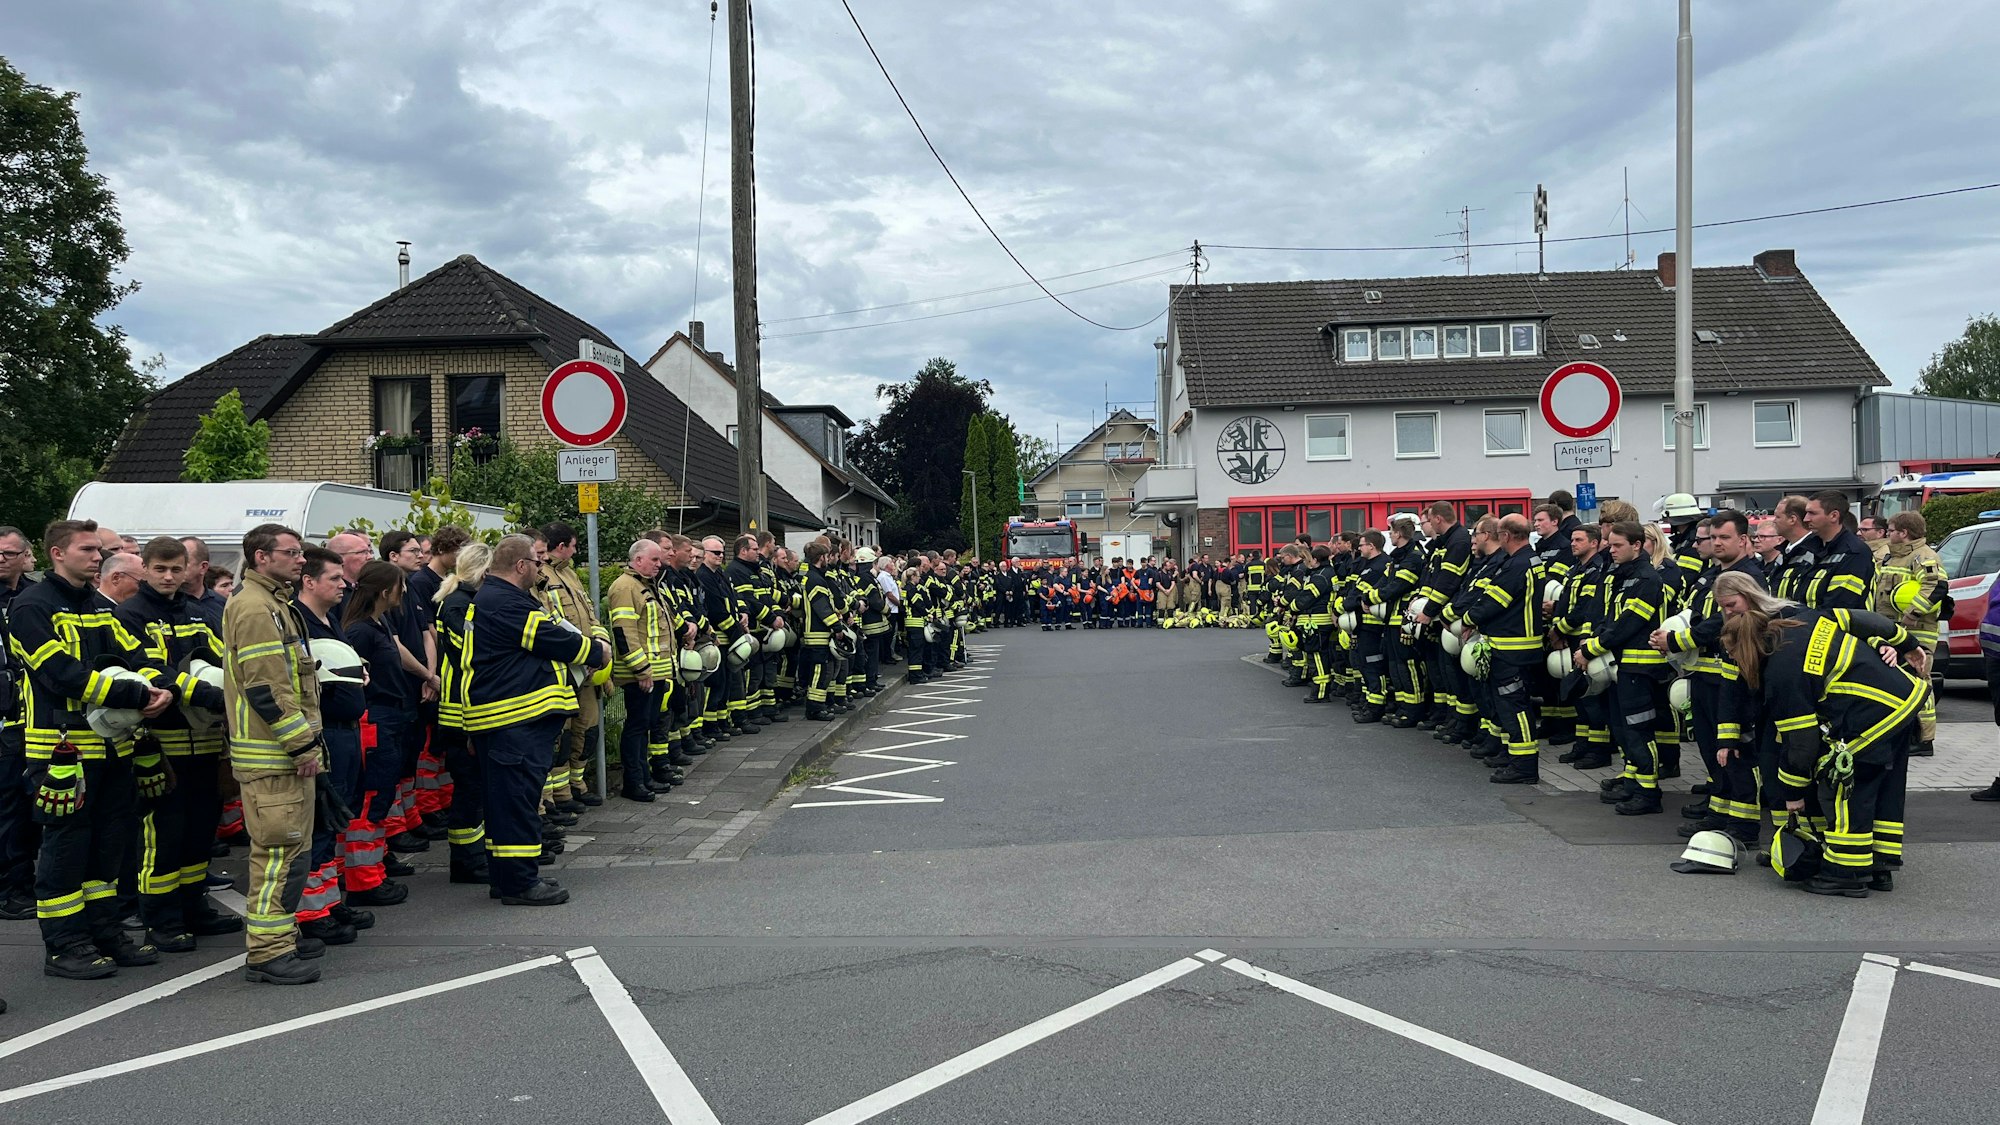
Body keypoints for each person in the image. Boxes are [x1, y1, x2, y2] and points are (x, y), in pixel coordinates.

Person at [11, 519, 170, 979]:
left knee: (109, 847)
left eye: (98, 550)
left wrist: (160, 686)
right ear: (56, 554)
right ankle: (64, 945)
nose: (97, 557)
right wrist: (138, 696)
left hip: (113, 748)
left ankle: (105, 931)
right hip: (62, 753)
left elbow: (137, 652)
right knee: (66, 849)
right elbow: (61, 673)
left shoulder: (98, 607)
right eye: (86, 550)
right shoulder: (31, 607)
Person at [1718, 572, 1927, 897]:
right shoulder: (1800, 622)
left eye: (1733, 656)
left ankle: (1846, 874)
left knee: (1843, 786)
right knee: (1881, 787)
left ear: (1746, 648)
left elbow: (1801, 745)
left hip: (1871, 714)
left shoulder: (1782, 674)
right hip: (1900, 700)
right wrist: (1906, 643)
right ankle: (1878, 865)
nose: (1734, 662)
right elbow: (1862, 618)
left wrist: (1792, 793)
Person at [464, 534, 606, 906]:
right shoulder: (503, 602)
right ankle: (520, 883)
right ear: (521, 565)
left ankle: (507, 876)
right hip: (514, 722)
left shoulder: (496, 598)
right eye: (537, 562)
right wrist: (596, 650)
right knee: (517, 803)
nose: (541, 568)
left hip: (507, 722)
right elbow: (550, 639)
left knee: (505, 803)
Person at [114, 536, 240, 953]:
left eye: (176, 569)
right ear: (145, 569)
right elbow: (150, 669)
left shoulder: (195, 612)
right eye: (160, 569)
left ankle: (193, 908)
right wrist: (208, 695)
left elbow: (220, 657)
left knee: (200, 832)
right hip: (160, 743)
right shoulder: (131, 613)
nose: (169, 577)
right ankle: (161, 920)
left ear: (188, 569)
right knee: (161, 836)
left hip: (204, 742)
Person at [223, 523, 325, 984]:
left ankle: (280, 938)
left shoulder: (273, 603)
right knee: (277, 855)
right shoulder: (255, 607)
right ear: (262, 558)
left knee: (291, 854)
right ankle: (267, 952)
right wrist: (300, 742)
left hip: (282, 753)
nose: (301, 560)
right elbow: (266, 688)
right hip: (272, 756)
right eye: (292, 553)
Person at [293, 545, 373, 943]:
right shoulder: (300, 622)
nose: (344, 585)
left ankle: (329, 899)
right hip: (324, 733)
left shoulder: (329, 619)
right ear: (309, 581)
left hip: (346, 730)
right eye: (334, 579)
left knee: (338, 815)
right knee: (320, 822)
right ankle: (311, 913)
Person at [1579, 522, 1672, 816]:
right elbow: (1609, 617)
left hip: (1641, 668)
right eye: (1610, 544)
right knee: (1622, 729)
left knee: (1638, 731)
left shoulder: (1647, 579)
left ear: (1637, 545)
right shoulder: (1624, 575)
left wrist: (1590, 649)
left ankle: (1648, 793)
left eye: (1618, 545)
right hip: (1623, 667)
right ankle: (1633, 782)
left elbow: (1628, 625)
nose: (1612, 550)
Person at [341, 562, 417, 909]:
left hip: (392, 717)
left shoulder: (379, 623)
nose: (404, 592)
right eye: (400, 586)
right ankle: (363, 880)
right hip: (377, 721)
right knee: (371, 798)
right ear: (386, 591)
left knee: (383, 795)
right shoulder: (360, 632)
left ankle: (376, 860)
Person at [1873, 511, 1948, 757]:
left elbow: (1935, 587)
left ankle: (1924, 739)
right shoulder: (1891, 557)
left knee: (1919, 681)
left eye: (1892, 530)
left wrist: (1912, 615)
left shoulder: (1924, 557)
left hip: (1917, 632)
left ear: (1903, 533)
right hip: (1892, 630)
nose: (1888, 533)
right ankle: (1904, 734)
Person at [606, 539, 673, 802]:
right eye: (654, 559)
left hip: (654, 673)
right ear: (638, 560)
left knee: (645, 725)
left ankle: (643, 777)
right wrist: (642, 669)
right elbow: (625, 633)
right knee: (636, 726)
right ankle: (633, 782)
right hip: (640, 675)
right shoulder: (625, 588)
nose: (659, 564)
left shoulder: (645, 585)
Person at [0, 525, 41, 923]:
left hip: (30, 717)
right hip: (5, 718)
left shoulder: (33, 596)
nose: (1, 560)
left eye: (9, 554)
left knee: (29, 806)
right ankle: (9, 888)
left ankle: (23, 881)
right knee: (7, 806)